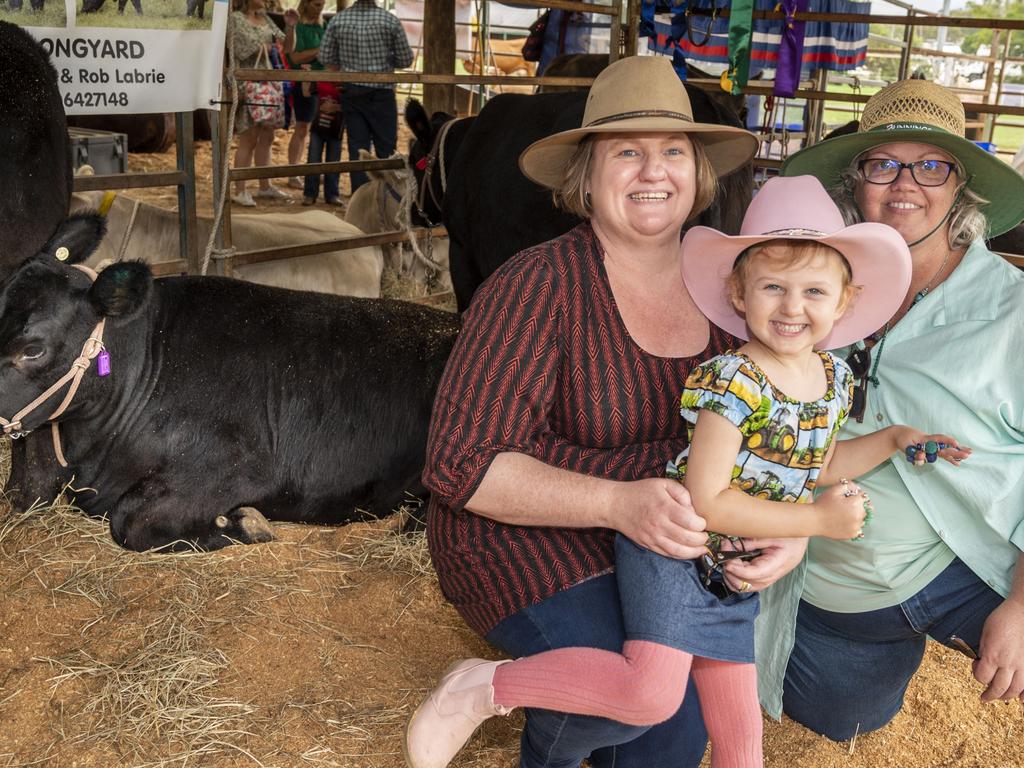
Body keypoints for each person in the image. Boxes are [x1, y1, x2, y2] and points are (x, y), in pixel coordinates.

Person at [405, 173, 971, 768]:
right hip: (677, 547)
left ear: (845, 301)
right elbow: (707, 498)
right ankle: (488, 686)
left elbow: (813, 461)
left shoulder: (829, 378)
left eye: (814, 292)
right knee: (647, 695)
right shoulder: (733, 380)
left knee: (739, 739)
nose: (792, 307)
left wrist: (893, 439)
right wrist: (816, 523)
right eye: (773, 287)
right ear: (739, 294)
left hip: (726, 564)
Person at [407, 55, 792, 768]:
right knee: (649, 709)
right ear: (586, 175)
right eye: (627, 152)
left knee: (684, 722)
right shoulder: (537, 284)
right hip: (526, 534)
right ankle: (514, 719)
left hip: (663, 539)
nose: (654, 171)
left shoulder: (734, 293)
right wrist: (618, 504)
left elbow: (772, 437)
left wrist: (789, 533)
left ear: (700, 172)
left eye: (673, 150)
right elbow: (459, 467)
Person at [760, 78, 1024, 740]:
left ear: (961, 185)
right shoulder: (813, 290)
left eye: (931, 165)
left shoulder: (1012, 310)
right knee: (834, 717)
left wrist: (1023, 605)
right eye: (883, 164)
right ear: (856, 181)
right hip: (838, 583)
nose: (905, 184)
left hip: (977, 563)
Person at [318, 0, 413, 192]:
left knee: (358, 149)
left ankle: (361, 197)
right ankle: (389, 196)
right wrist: (388, 59)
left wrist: (345, 62)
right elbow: (405, 59)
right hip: (382, 92)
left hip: (352, 90)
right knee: (387, 149)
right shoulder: (389, 20)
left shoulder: (339, 20)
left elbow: (325, 57)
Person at [230, 0, 299, 207]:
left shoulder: (266, 18)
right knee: (249, 137)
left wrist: (291, 26)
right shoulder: (235, 20)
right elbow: (241, 50)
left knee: (267, 135)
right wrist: (267, 47)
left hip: (268, 85)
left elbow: (287, 47)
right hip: (248, 84)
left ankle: (264, 185)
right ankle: (240, 190)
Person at [284, 0, 327, 190]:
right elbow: (295, 57)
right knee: (302, 127)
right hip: (304, 81)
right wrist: (319, 51)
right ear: (306, 4)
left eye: (322, 4)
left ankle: (309, 169)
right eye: (317, 4)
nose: (320, 9)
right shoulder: (298, 27)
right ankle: (293, 171)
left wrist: (314, 54)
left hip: (323, 81)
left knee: (315, 129)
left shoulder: (323, 25)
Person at [302, 80, 344, 206]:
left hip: (336, 126)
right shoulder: (319, 78)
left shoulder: (344, 79)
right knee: (313, 159)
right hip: (318, 125)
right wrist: (306, 76)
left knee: (333, 160)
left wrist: (335, 107)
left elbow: (350, 102)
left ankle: (332, 194)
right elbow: (306, 93)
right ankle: (310, 194)